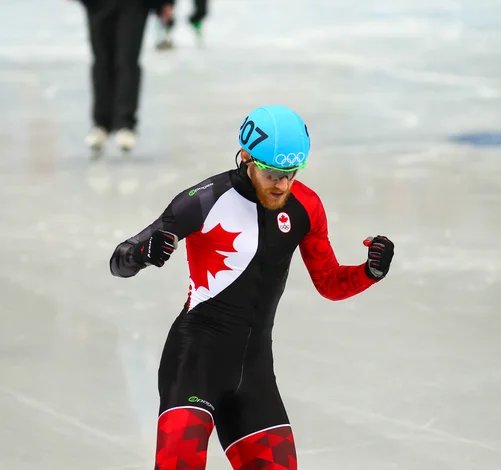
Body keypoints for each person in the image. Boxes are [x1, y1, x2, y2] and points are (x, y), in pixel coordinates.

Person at [109, 105, 395, 469]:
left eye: (291, 172)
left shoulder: (306, 206)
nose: (283, 184)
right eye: (273, 172)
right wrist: (143, 254)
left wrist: (369, 273)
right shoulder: (203, 201)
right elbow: (119, 262)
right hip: (195, 360)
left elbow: (329, 283)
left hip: (255, 371)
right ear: (246, 157)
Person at [77, 0, 174, 153]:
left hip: (135, 5)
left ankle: (125, 123)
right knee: (102, 61)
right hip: (98, 4)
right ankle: (101, 124)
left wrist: (166, 2)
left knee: (127, 60)